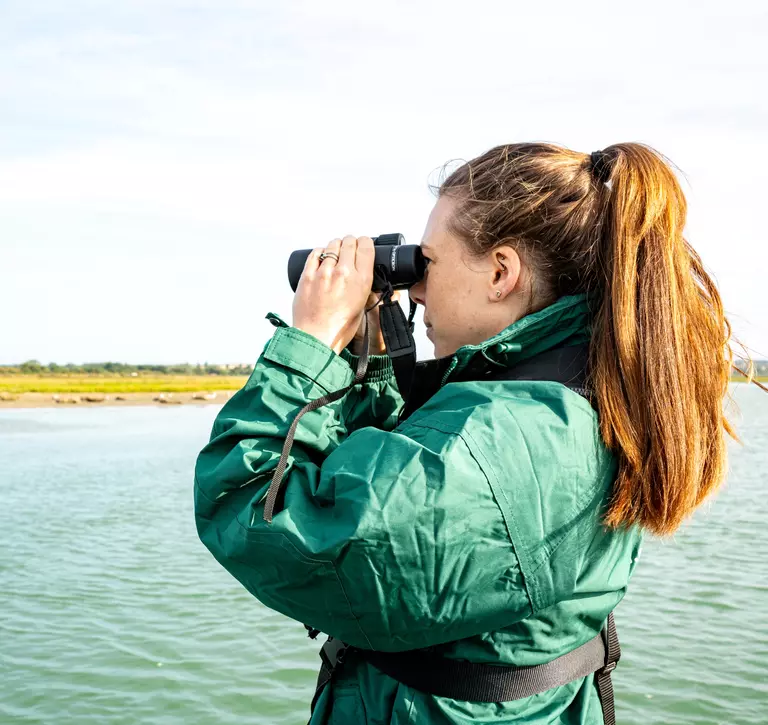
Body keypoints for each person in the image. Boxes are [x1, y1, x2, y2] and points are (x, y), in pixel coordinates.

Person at [194, 142, 738, 724]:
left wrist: (312, 340)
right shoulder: (561, 395)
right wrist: (372, 363)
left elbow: (254, 513)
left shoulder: (505, 438)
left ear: (501, 273)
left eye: (427, 263)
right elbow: (383, 478)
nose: (417, 288)